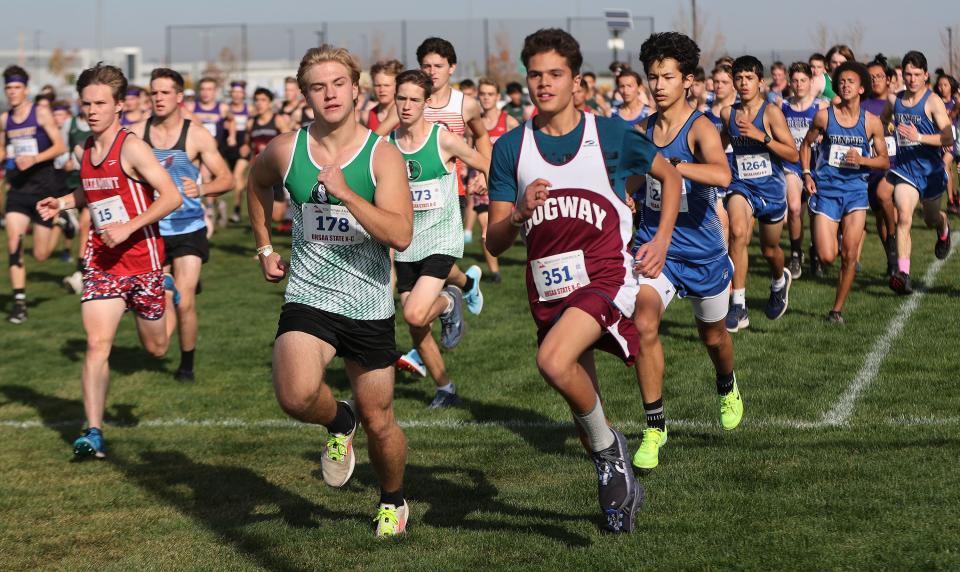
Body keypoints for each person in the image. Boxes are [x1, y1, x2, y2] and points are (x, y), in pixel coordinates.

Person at [486, 28, 679, 533]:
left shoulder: (611, 135)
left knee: (551, 361)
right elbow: (495, 241)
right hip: (548, 289)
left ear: (577, 81)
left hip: (606, 276)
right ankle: (611, 469)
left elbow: (671, 177)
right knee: (581, 406)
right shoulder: (510, 148)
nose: (544, 83)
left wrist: (659, 240)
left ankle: (610, 449)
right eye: (535, 74)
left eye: (555, 74)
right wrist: (517, 215)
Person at [246, 46, 413, 537]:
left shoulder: (382, 156)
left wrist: (346, 193)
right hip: (310, 294)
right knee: (295, 395)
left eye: (338, 83)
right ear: (305, 95)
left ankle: (392, 500)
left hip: (369, 303)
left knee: (381, 421)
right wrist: (263, 248)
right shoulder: (285, 150)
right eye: (318, 87)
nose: (330, 94)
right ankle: (339, 420)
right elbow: (255, 185)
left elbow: (400, 234)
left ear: (356, 89)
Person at [36, 63, 182, 458]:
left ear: (119, 105)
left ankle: (167, 293)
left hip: (143, 262)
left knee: (156, 347)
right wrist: (63, 202)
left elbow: (171, 197)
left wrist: (130, 226)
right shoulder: (84, 149)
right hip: (101, 261)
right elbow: (90, 193)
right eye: (86, 103)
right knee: (97, 344)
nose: (92, 110)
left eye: (100, 103)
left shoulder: (132, 147)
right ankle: (94, 432)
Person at [626, 32, 740, 473]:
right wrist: (625, 192)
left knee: (713, 337)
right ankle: (655, 426)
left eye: (666, 77)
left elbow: (722, 174)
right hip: (659, 249)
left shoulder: (701, 126)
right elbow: (633, 178)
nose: (657, 85)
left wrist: (675, 167)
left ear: (687, 80)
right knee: (644, 320)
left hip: (704, 253)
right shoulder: (642, 130)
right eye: (652, 77)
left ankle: (726, 383)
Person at [389, 69, 490, 408]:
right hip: (405, 243)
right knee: (416, 328)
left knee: (416, 315)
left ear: (426, 102)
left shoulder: (442, 139)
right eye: (400, 98)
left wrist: (482, 180)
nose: (406, 105)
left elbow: (483, 161)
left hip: (440, 239)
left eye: (413, 99)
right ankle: (445, 388)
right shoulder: (387, 146)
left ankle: (449, 301)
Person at [128, 68, 235, 382]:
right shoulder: (135, 134)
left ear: (178, 97)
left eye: (165, 93)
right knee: (158, 316)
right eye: (154, 93)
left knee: (185, 299)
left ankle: (187, 365)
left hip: (188, 227)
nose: (158, 99)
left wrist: (201, 189)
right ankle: (162, 337)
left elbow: (227, 178)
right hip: (152, 231)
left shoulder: (196, 135)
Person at [801, 61, 889, 322]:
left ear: (862, 88)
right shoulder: (824, 116)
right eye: (841, 81)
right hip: (827, 191)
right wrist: (806, 174)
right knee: (828, 257)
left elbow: (883, 160)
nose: (845, 84)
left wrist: (862, 160)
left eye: (851, 81)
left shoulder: (872, 123)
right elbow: (805, 146)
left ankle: (836, 310)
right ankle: (832, 237)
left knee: (850, 256)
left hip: (855, 193)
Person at [721, 55, 799, 332]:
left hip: (772, 191)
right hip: (741, 186)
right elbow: (718, 148)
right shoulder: (727, 114)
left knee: (769, 250)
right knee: (738, 233)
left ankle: (780, 280)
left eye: (749, 78)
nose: (743, 83)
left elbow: (793, 153)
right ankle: (738, 305)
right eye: (739, 78)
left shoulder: (771, 113)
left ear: (760, 82)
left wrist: (761, 136)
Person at [0, 65, 68, 323]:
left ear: (26, 90)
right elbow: (4, 150)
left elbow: (60, 146)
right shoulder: (5, 120)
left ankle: (62, 222)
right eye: (8, 88)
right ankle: (19, 303)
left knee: (40, 255)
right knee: (14, 246)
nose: (12, 92)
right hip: (18, 189)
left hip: (43, 189)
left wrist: (35, 158)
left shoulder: (40, 112)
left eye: (17, 87)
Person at [884, 50, 954, 294]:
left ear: (926, 75)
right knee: (903, 216)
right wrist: (881, 134)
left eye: (916, 74)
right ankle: (903, 274)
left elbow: (948, 136)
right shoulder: (895, 101)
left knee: (930, 219)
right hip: (905, 171)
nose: (911, 79)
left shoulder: (933, 101)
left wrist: (919, 136)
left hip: (931, 173)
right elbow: (883, 120)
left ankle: (943, 225)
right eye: (907, 74)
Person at [780, 62, 828, 278]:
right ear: (790, 82)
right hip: (791, 165)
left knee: (813, 212)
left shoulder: (821, 107)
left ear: (811, 81)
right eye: (795, 81)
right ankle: (796, 254)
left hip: (816, 166)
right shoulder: (783, 106)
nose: (799, 85)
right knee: (794, 208)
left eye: (803, 80)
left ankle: (815, 252)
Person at [475, 77, 519, 283]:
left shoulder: (509, 122)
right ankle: (495, 273)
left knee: (515, 226)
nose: (486, 98)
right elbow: (469, 153)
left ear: (497, 97)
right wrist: (475, 175)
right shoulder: (474, 123)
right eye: (482, 94)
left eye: (490, 94)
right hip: (481, 185)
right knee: (485, 228)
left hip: (506, 185)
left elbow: (520, 154)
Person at [863, 54, 899, 275]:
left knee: (898, 215)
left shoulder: (897, 103)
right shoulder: (862, 105)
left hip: (898, 168)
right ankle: (891, 259)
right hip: (872, 169)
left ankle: (899, 257)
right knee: (881, 218)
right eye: (871, 77)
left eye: (879, 76)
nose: (875, 80)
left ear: (888, 79)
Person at [246, 87, 291, 226]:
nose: (259, 103)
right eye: (257, 100)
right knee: (262, 210)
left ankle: (291, 211)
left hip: (276, 169)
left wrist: (270, 150)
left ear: (270, 103)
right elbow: (247, 144)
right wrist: (245, 148)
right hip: (259, 171)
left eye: (263, 100)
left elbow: (289, 142)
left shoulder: (277, 120)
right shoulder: (251, 123)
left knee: (276, 216)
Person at [364, 59, 402, 133]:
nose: (381, 90)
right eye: (377, 85)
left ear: (397, 86)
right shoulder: (366, 116)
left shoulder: (404, 112)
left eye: (386, 85)